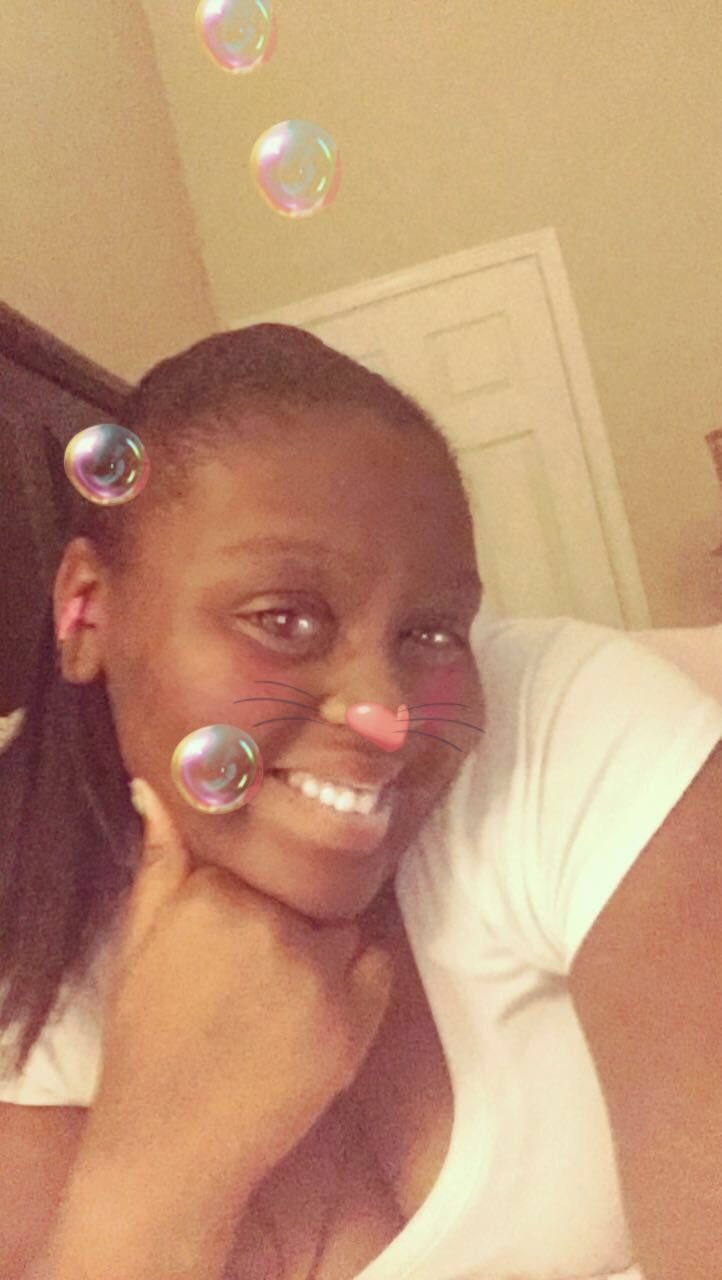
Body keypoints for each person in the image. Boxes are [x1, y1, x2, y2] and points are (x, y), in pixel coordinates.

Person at [0, 324, 720, 1280]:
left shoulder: (577, 732)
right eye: (283, 617)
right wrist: (155, 1176)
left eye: (432, 631)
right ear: (86, 611)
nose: (386, 715)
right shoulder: (32, 989)